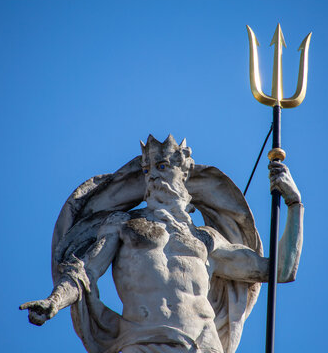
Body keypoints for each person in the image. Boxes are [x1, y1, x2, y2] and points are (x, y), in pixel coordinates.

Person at [20, 135, 303, 353]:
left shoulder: (207, 239)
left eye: (163, 166)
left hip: (202, 345)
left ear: (185, 173)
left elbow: (281, 270)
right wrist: (54, 301)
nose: (153, 175)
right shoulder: (123, 225)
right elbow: (85, 272)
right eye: (147, 169)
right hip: (140, 343)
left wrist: (294, 203)